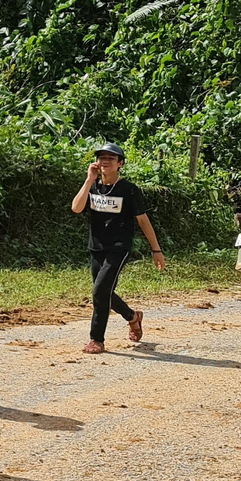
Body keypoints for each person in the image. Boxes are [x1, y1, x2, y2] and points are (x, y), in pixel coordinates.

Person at [70, 143, 166, 354]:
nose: (104, 161)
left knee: (99, 291)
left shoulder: (129, 190)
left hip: (119, 248)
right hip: (96, 247)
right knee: (104, 292)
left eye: (110, 158)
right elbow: (76, 208)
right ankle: (133, 316)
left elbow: (143, 220)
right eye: (101, 157)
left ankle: (96, 339)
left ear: (120, 163)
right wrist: (89, 180)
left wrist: (156, 250)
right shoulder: (93, 186)